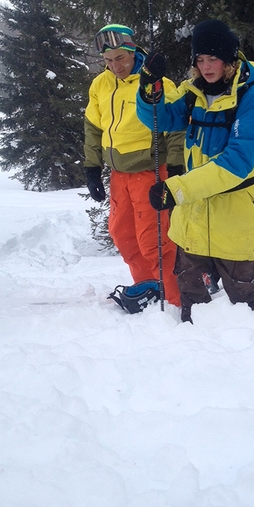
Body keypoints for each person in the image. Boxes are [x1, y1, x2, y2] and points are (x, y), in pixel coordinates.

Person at [136, 19, 254, 323]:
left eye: (213, 59)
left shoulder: (251, 99)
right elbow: (159, 118)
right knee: (193, 311)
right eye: (200, 59)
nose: (207, 66)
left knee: (245, 315)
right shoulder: (193, 93)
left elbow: (237, 162)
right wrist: (147, 87)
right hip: (193, 223)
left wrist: (177, 189)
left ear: (229, 61)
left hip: (235, 219)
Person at [84, 23, 184, 307]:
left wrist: (175, 169)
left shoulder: (156, 82)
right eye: (108, 60)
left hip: (151, 171)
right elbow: (93, 127)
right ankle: (148, 290)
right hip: (119, 175)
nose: (114, 66)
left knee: (155, 240)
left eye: (120, 58)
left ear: (132, 52)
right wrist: (92, 169)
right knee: (123, 234)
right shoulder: (100, 85)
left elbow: (176, 128)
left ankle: (176, 300)